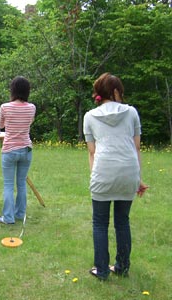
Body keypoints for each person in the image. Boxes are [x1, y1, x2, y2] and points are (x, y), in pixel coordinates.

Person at [83, 72, 148, 280]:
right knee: (123, 221)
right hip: (129, 172)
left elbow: (92, 152)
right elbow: (136, 147)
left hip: (103, 172)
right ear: (116, 91)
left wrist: (96, 177)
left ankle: (101, 270)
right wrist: (138, 179)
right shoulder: (132, 113)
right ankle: (122, 267)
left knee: (100, 223)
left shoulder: (89, 116)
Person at [0, 76, 36, 224]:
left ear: (12, 90)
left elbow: (1, 125)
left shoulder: (5, 107)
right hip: (26, 149)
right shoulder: (32, 107)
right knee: (21, 183)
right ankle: (19, 214)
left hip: (9, 149)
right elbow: (29, 122)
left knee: (8, 184)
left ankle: (8, 218)